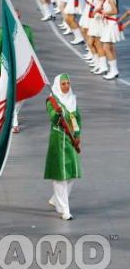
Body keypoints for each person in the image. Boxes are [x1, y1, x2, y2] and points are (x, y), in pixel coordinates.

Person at [45, 74, 81, 221]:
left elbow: (76, 118)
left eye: (68, 83)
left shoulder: (72, 99)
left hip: (70, 140)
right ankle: (63, 209)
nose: (66, 86)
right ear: (57, 86)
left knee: (72, 173)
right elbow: (52, 118)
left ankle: (55, 199)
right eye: (63, 84)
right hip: (58, 139)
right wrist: (57, 113)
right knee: (61, 175)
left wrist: (77, 134)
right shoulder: (52, 101)